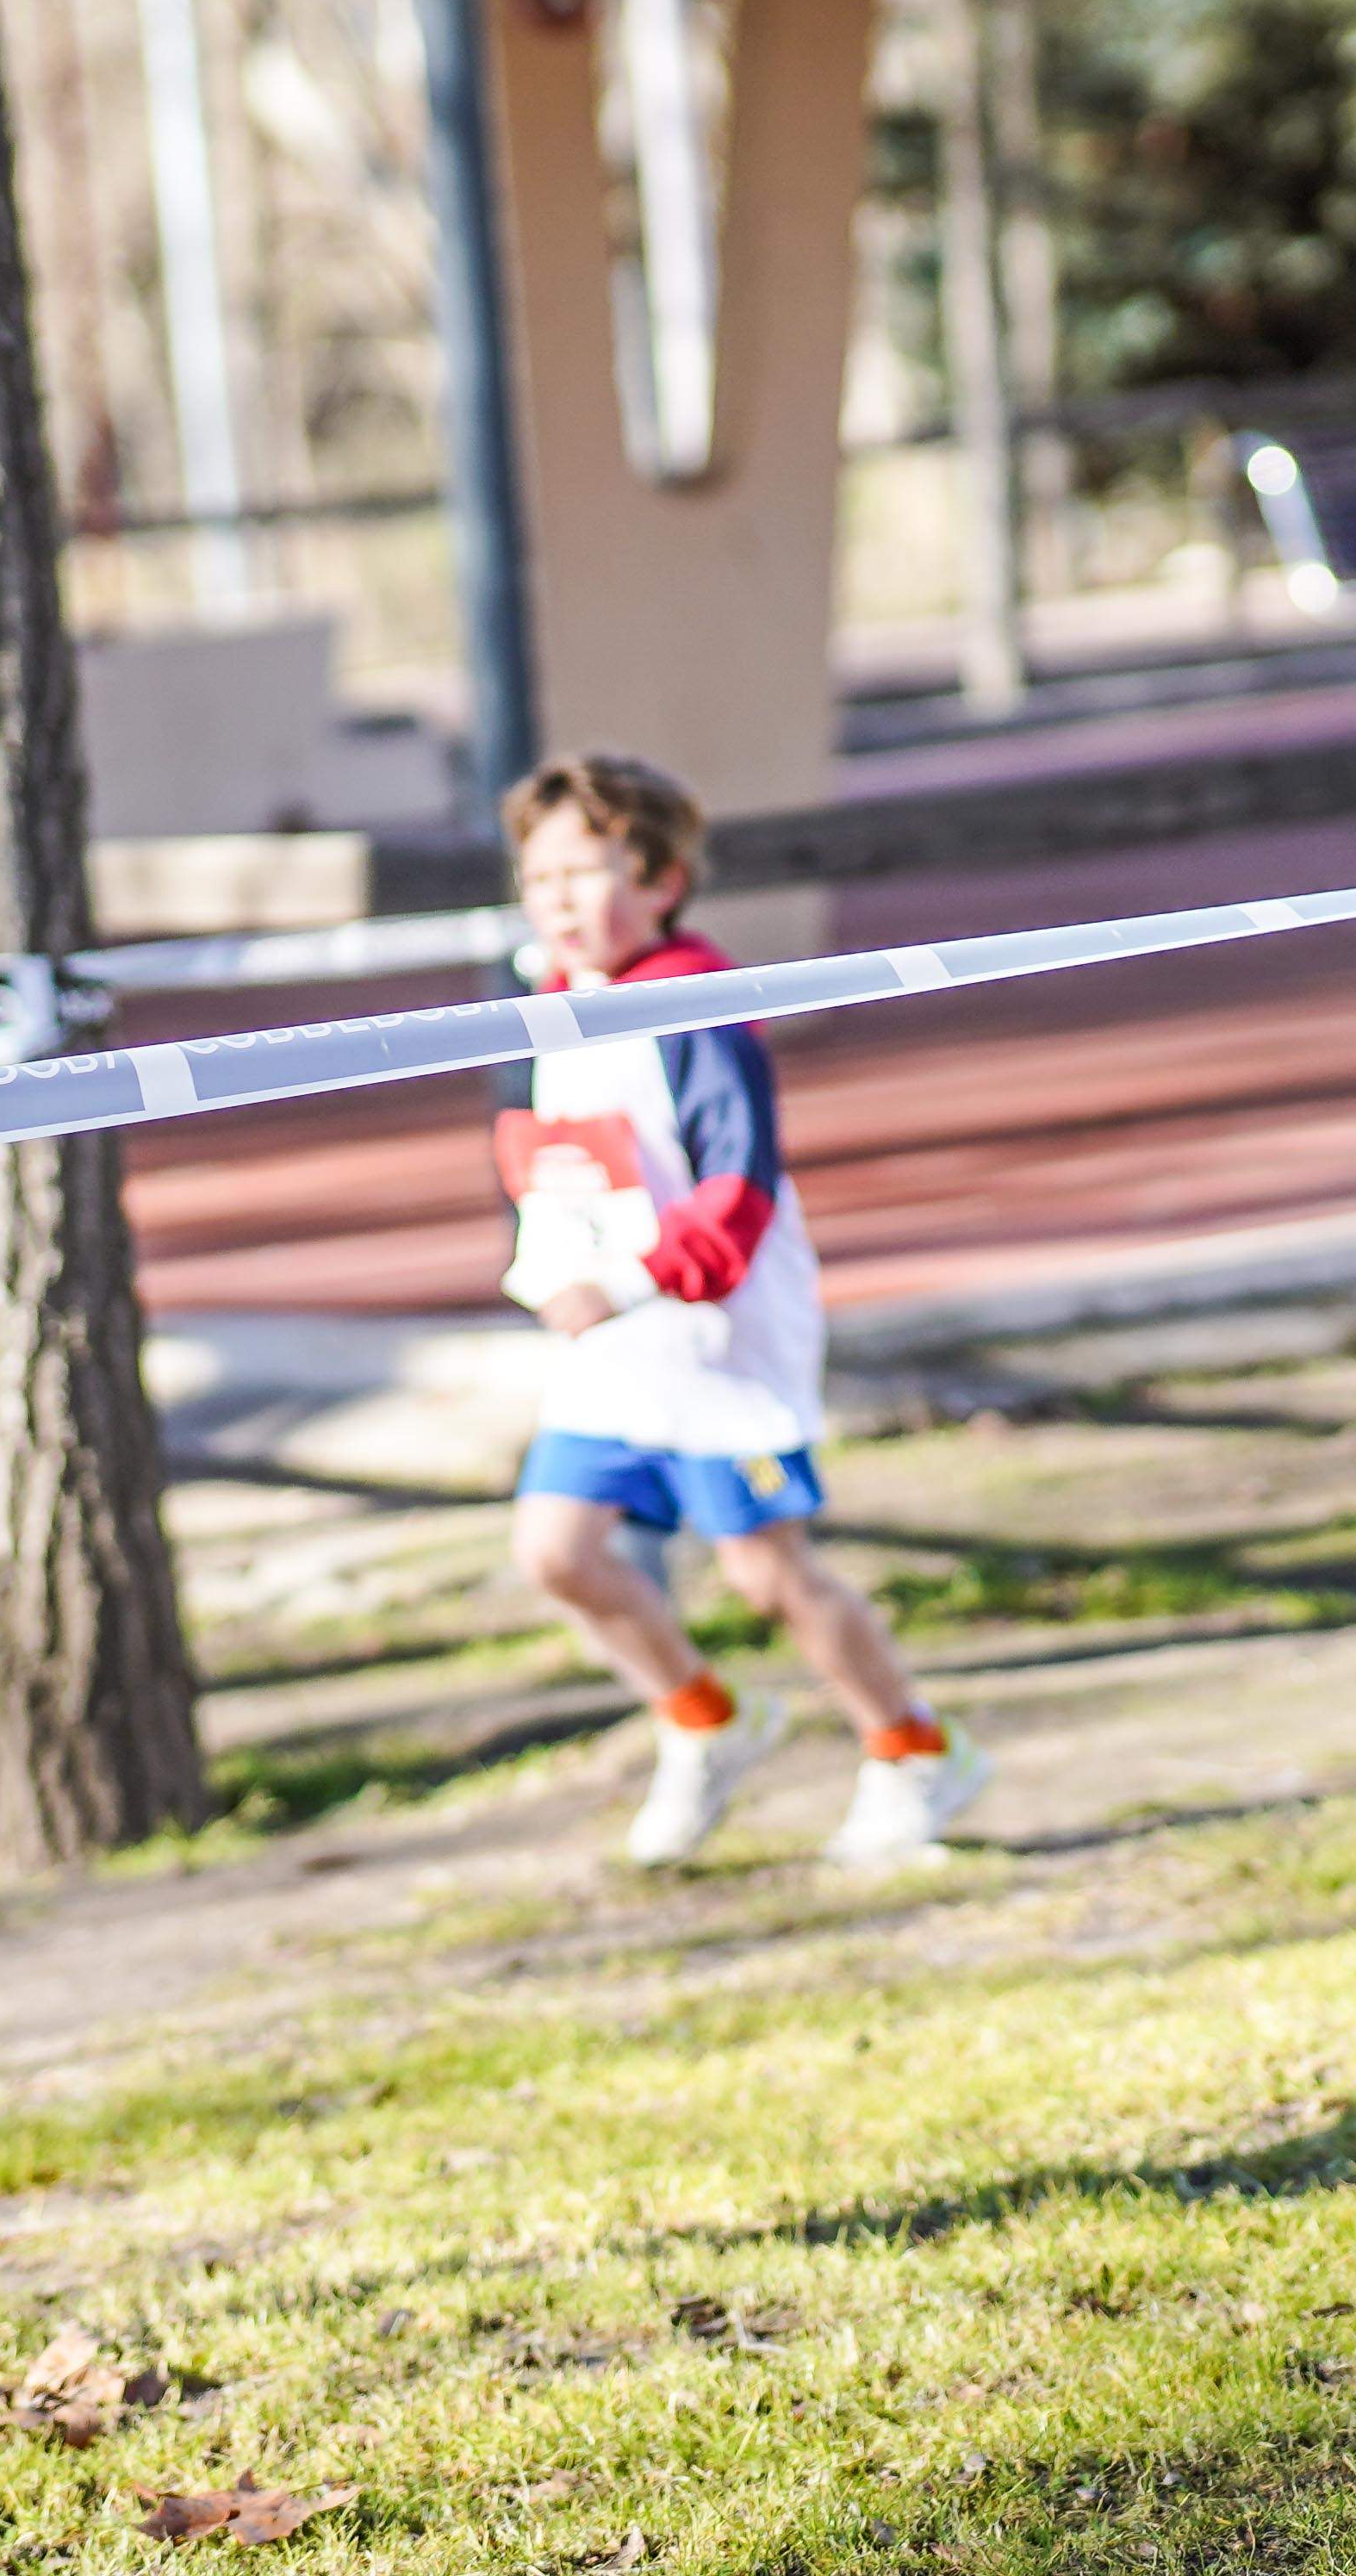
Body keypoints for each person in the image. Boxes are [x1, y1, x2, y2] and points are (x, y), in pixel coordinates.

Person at [495, 749, 986, 1872]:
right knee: (556, 1549)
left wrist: (625, 1283)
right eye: (539, 878)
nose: (558, 900)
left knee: (768, 1574)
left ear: (661, 879)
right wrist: (550, 1266)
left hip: (718, 1341)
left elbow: (738, 1186)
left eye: (585, 873)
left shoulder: (700, 1004)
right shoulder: (550, 1006)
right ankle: (706, 1726)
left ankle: (915, 1748)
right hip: (611, 1350)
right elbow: (557, 1162)